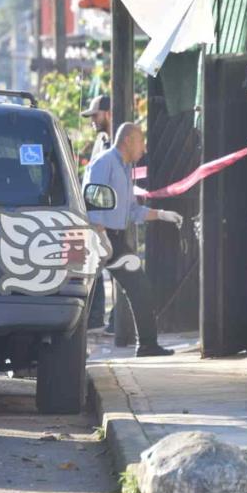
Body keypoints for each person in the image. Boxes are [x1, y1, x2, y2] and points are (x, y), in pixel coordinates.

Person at [83, 122, 183, 357]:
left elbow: (131, 210)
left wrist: (160, 215)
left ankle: (147, 345)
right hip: (98, 237)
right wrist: (101, 235)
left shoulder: (126, 167)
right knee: (81, 293)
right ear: (127, 140)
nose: (144, 148)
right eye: (141, 141)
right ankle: (65, 345)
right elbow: (93, 201)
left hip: (113, 238)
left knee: (140, 287)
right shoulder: (105, 162)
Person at [81, 95, 113, 330]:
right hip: (96, 214)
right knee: (95, 263)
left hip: (111, 216)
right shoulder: (101, 141)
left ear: (108, 114)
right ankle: (97, 319)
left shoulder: (117, 143)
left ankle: (110, 320)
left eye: (95, 115)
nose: (92, 120)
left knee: (118, 268)